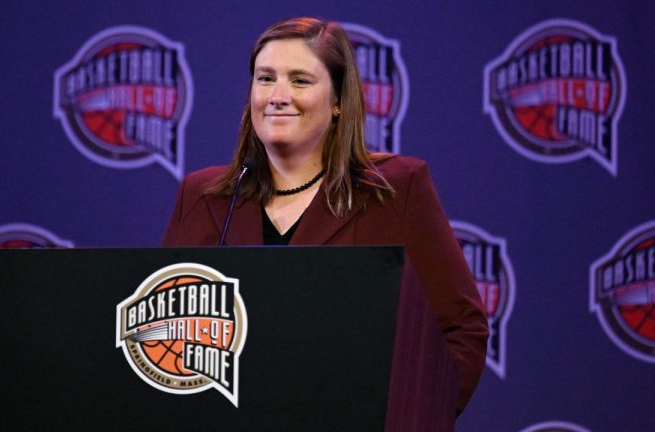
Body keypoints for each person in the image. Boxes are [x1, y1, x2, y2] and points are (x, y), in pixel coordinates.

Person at [163, 17, 488, 417]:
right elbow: (171, 327)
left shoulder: (396, 190)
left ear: (337, 101)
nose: (278, 96)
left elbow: (460, 330)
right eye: (266, 79)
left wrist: (412, 418)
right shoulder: (203, 195)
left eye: (300, 80)